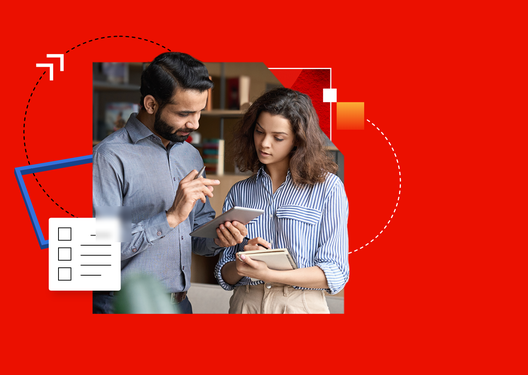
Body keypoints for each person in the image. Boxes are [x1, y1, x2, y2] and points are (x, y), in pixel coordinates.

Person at [92, 52, 248, 314]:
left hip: (180, 304)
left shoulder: (190, 154)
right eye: (185, 113)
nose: (195, 124)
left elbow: (197, 235)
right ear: (151, 104)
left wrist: (221, 237)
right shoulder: (109, 156)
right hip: (122, 306)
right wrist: (171, 217)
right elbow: (98, 251)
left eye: (199, 112)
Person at [214, 88, 349, 314]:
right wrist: (241, 265)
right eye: (259, 132)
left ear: (298, 140)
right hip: (246, 304)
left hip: (300, 305)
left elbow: (334, 272)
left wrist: (270, 274)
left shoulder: (328, 189)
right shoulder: (239, 192)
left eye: (278, 137)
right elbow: (224, 273)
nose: (264, 143)